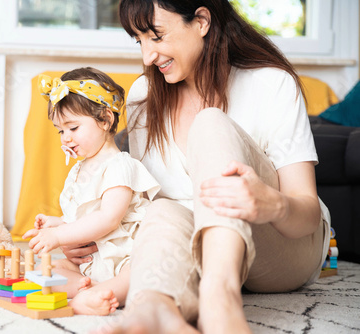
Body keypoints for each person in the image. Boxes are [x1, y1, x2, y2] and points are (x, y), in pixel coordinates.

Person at [61, 1, 331, 333]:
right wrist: (92, 234)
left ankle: (219, 300)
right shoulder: (142, 97)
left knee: (210, 124)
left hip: (281, 245)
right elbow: (147, 210)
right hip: (196, 248)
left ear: (201, 21)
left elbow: (307, 217)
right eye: (139, 40)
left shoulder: (271, 84)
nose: (147, 56)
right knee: (160, 211)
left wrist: (269, 203)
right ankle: (154, 310)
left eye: (156, 36)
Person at [23, 67, 160, 316]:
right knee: (38, 271)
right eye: (60, 130)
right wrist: (56, 224)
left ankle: (99, 294)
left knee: (141, 272)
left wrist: (59, 236)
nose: (65, 138)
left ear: (105, 119)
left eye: (73, 128)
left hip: (122, 258)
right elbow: (84, 216)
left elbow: (108, 218)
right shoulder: (78, 170)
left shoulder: (119, 164)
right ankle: (88, 288)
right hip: (90, 264)